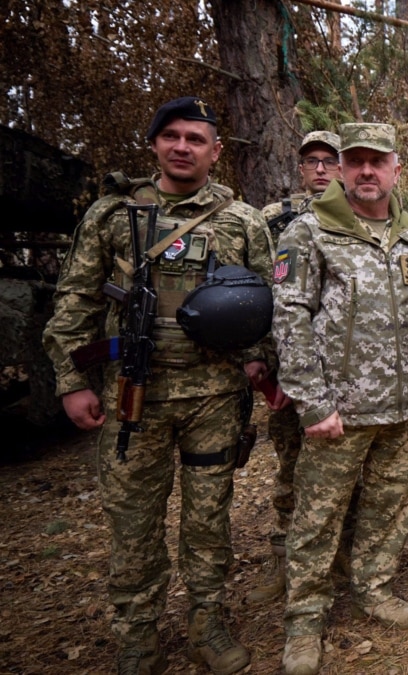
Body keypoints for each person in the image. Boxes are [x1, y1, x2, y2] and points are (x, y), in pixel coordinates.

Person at [43, 96, 270, 675]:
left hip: (214, 398)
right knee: (134, 524)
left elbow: (271, 304)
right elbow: (76, 300)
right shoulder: (113, 215)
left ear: (215, 152)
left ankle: (206, 624)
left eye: (196, 139)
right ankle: (138, 637)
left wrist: (259, 360)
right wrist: (72, 380)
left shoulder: (241, 220)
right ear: (154, 145)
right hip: (133, 396)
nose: (183, 147)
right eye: (172, 136)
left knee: (207, 521)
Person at [273, 123, 408, 675]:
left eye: (376, 161)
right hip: (340, 410)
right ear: (339, 168)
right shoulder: (309, 232)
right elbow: (289, 318)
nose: (366, 171)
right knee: (317, 519)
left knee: (390, 508)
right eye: (355, 161)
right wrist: (313, 403)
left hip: (405, 406)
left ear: (395, 169)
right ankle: (304, 620)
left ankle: (374, 586)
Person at [248, 129, 343, 605]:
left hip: (343, 376)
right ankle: (284, 565)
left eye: (330, 159)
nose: (321, 168)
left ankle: (340, 562)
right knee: (290, 470)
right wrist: (269, 370)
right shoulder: (273, 220)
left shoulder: (358, 216)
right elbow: (265, 298)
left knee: (343, 474)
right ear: (301, 167)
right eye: (312, 161)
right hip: (290, 375)